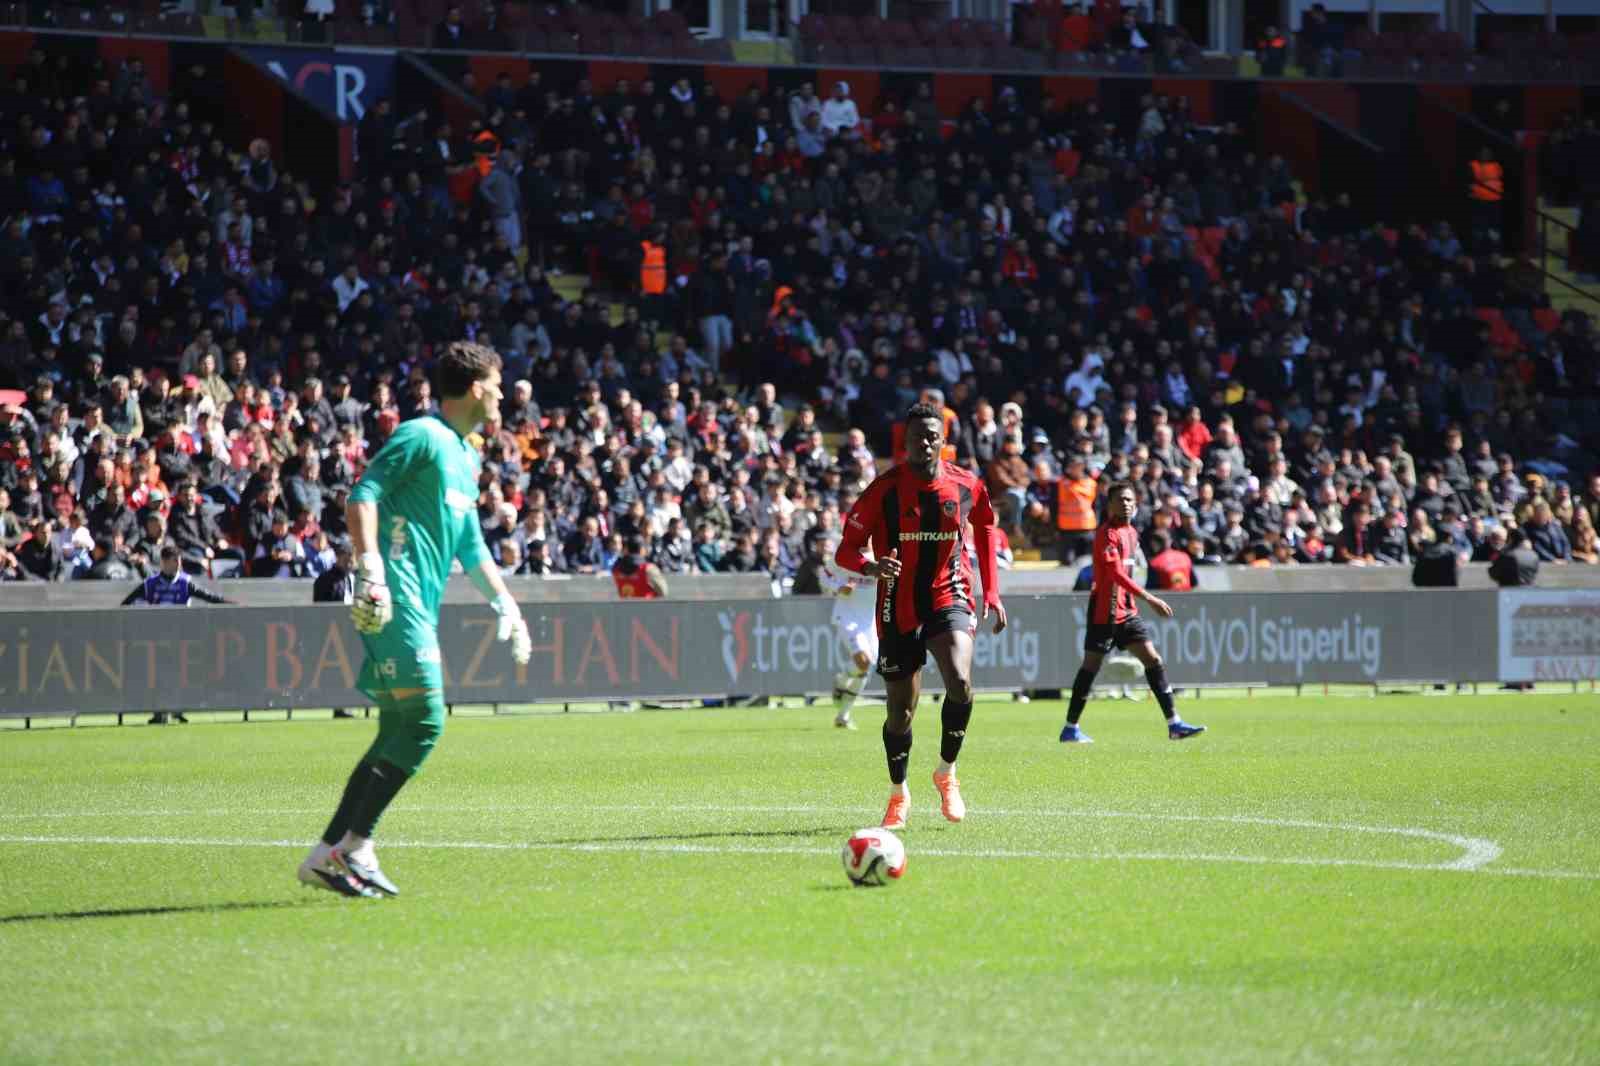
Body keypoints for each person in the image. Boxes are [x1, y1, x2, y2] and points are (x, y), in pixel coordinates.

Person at [298, 342, 533, 901]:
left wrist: (507, 604)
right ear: (476, 387)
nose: (503, 394)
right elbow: (364, 495)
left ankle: (326, 855)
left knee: (398, 729)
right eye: (498, 384)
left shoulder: (466, 456)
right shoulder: (421, 435)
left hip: (418, 605)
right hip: (391, 598)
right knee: (427, 720)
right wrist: (371, 570)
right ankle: (353, 846)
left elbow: (471, 544)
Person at [835, 402, 1008, 830]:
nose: (926, 441)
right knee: (901, 712)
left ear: (943, 439)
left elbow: (986, 525)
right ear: (906, 442)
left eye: (933, 434)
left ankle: (946, 772)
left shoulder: (966, 484)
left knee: (961, 681)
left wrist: (993, 590)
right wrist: (870, 567)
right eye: (917, 436)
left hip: (949, 592)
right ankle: (899, 793)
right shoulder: (884, 489)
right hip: (897, 603)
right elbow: (845, 549)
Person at [1059, 482, 1206, 744]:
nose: (1126, 504)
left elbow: (1127, 573)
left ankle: (1175, 724)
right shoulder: (1107, 534)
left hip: (1128, 612)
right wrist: (1150, 597)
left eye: (1130, 500)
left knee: (1153, 660)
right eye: (1121, 500)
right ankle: (1071, 727)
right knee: (1090, 667)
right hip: (1105, 612)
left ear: (1136, 505)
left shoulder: (1132, 533)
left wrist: (1138, 600)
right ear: (1110, 504)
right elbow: (1114, 574)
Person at [121, 544, 233, 724]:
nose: (179, 565)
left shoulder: (185, 582)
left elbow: (209, 596)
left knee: (180, 675)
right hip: (156, 640)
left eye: (179, 561)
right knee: (158, 676)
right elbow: (126, 604)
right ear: (164, 562)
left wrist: (231, 603)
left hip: (181, 639)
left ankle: (177, 709)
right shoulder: (150, 584)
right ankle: (159, 713)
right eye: (175, 561)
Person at [313, 541, 360, 719]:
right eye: (347, 557)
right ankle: (340, 706)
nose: (350, 561)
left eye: (352, 558)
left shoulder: (357, 577)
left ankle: (351, 703)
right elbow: (319, 609)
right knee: (338, 671)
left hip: (355, 629)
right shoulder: (325, 580)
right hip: (334, 631)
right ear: (339, 557)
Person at [612, 533, 667, 599]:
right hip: (647, 607)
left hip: (625, 608)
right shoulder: (648, 569)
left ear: (626, 549)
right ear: (642, 549)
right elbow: (663, 591)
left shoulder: (616, 569)